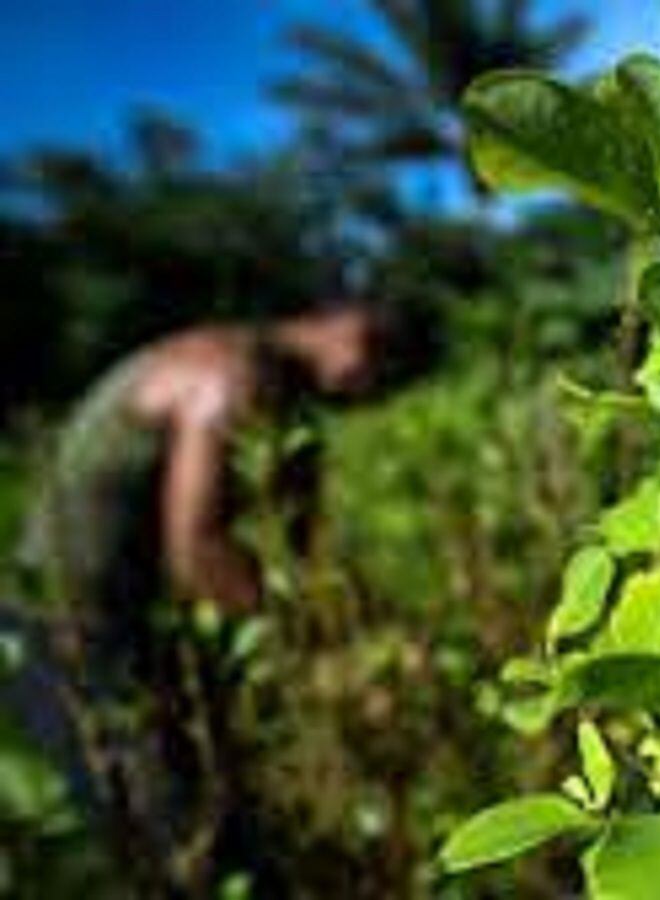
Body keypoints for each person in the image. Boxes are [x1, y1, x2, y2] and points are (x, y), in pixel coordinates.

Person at [13, 299, 437, 896]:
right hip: (68, 632)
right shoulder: (233, 376)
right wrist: (322, 649)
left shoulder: (285, 406)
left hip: (130, 629)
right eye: (382, 380)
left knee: (221, 814)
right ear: (359, 336)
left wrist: (367, 625)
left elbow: (300, 553)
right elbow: (201, 555)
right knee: (183, 843)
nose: (367, 401)